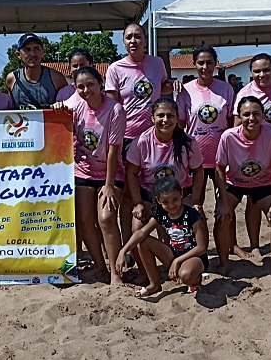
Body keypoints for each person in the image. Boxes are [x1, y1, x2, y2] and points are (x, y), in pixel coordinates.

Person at [106, 22, 172, 261]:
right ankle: (130, 247)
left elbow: (164, 89)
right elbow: (112, 107)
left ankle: (167, 246)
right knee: (128, 196)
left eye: (138, 36)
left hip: (155, 138)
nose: (133, 41)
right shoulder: (115, 68)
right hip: (126, 139)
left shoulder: (157, 64)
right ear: (123, 42)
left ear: (145, 40)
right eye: (128, 37)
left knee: (159, 191)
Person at [58, 66, 126, 284]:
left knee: (105, 218)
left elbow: (114, 150)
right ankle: (100, 267)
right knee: (85, 220)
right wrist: (57, 107)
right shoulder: (75, 105)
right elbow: (54, 115)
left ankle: (115, 271)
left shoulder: (115, 109)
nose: (86, 90)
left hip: (110, 172)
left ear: (101, 84)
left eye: (90, 85)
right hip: (83, 171)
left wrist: (108, 185)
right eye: (80, 87)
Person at [214, 96, 271, 275]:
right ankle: (224, 262)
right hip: (235, 182)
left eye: (256, 114)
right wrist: (223, 201)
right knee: (222, 217)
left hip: (263, 182)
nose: (251, 118)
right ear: (239, 116)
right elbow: (219, 169)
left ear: (263, 116)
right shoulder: (228, 136)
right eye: (246, 114)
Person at [233, 53, 271, 253]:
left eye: (266, 70)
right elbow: (236, 127)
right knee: (253, 199)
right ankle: (255, 245)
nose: (262, 74)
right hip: (256, 152)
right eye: (257, 71)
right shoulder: (244, 93)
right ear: (251, 73)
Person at [115, 177, 209, 298]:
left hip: (195, 257)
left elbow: (202, 247)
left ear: (181, 194)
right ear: (159, 201)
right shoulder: (161, 214)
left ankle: (195, 280)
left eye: (175, 199)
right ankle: (154, 284)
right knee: (143, 241)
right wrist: (123, 251)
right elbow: (141, 232)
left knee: (186, 275)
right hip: (174, 253)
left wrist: (177, 261)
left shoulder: (192, 214)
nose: (171, 205)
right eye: (166, 202)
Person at [125, 97, 205, 229]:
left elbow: (198, 171)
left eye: (170, 115)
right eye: (160, 115)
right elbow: (132, 173)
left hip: (178, 194)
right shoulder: (141, 142)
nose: (165, 120)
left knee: (197, 223)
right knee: (137, 228)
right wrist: (137, 202)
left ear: (177, 117)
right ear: (152, 118)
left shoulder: (188, 142)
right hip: (149, 193)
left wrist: (195, 200)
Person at [176, 44, 235, 204]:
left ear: (216, 63)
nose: (205, 67)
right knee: (194, 204)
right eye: (200, 62)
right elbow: (180, 127)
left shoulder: (226, 89)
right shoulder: (185, 91)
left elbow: (232, 125)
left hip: (221, 159)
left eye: (209, 62)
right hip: (195, 159)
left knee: (225, 205)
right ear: (194, 64)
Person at [5, 33, 67, 109]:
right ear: (18, 55)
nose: (32, 54)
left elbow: (68, 106)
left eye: (36, 48)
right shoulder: (12, 79)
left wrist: (61, 105)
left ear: (43, 52)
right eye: (27, 50)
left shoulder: (56, 78)